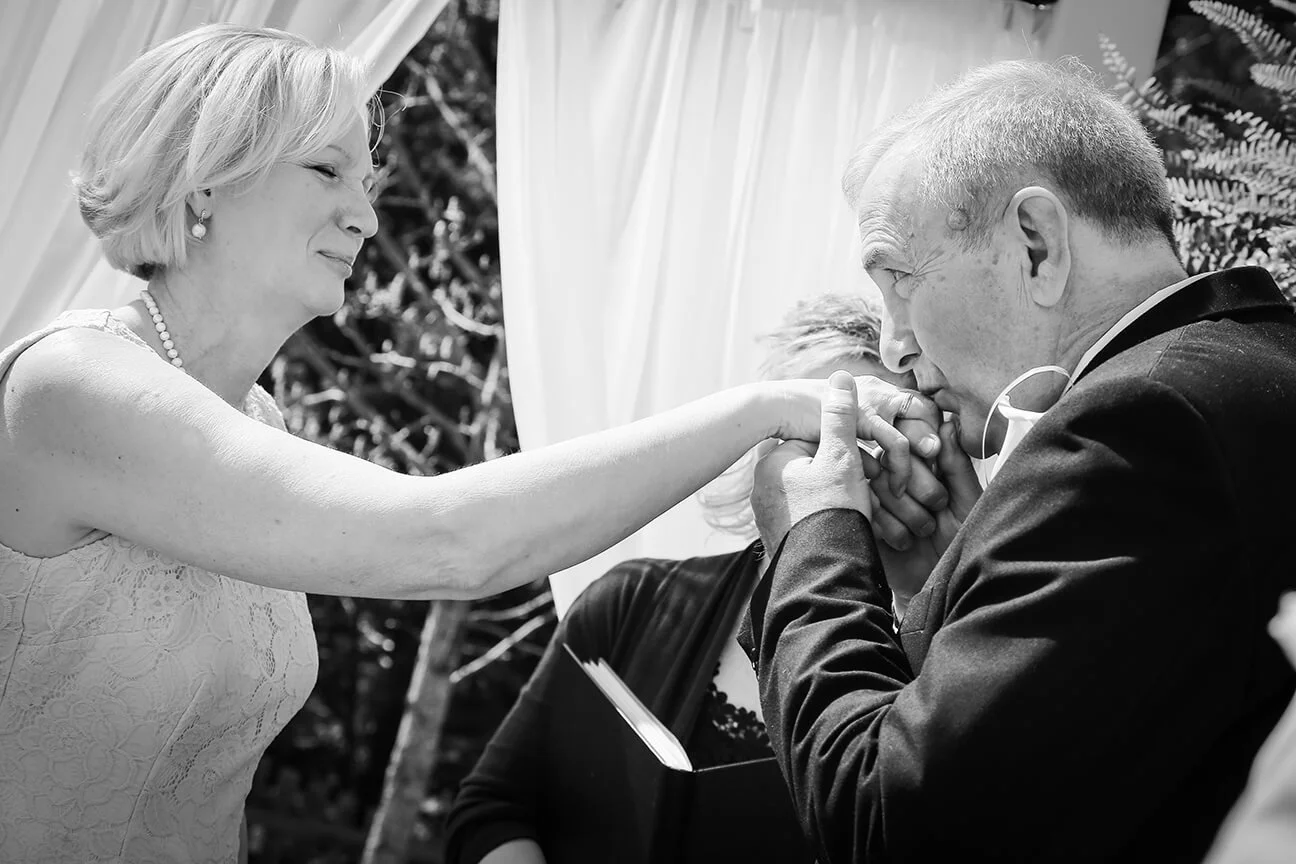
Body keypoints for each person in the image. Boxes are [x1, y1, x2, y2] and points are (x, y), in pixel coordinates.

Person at [0, 25, 938, 864]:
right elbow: (447, 540)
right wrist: (761, 410)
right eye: (327, 171)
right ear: (207, 177)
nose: (366, 217)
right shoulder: (70, 387)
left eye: (366, 184)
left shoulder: (259, 422)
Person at [744, 58, 1296, 864]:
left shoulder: (1137, 428)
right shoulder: (1251, 369)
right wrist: (958, 578)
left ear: (1037, 244)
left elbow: (887, 822)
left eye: (899, 280)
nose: (894, 348)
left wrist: (812, 535)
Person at [444, 293, 915, 864]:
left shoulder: (941, 650)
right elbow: (492, 807)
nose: (840, 469)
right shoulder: (634, 602)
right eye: (812, 435)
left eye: (868, 441)